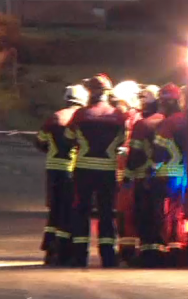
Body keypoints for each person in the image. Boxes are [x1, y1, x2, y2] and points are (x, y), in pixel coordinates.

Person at [63, 74, 128, 267]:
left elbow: (68, 138)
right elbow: (123, 141)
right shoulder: (118, 116)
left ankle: (80, 256)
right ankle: (108, 257)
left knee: (81, 211)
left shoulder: (81, 115)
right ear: (107, 93)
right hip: (107, 170)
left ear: (90, 92)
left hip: (83, 169)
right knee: (107, 213)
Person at [34, 84, 87, 266]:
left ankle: (50, 248)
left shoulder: (55, 117)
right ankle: (64, 250)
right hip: (72, 169)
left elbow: (40, 141)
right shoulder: (81, 118)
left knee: (54, 210)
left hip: (53, 169)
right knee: (69, 209)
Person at [151, 84, 188, 265]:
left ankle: (172, 250)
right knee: (183, 213)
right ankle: (186, 248)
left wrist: (153, 171)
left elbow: (158, 151)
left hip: (169, 174)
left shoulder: (168, 123)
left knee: (168, 214)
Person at [126, 85, 169, 267]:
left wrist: (128, 174)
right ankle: (160, 253)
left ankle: (147, 256)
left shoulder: (142, 125)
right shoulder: (168, 121)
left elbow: (135, 154)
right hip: (165, 176)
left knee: (144, 217)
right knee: (159, 217)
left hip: (144, 177)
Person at [109, 81, 144, 263]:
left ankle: (129, 252)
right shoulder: (129, 119)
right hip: (125, 176)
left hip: (131, 176)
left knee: (128, 214)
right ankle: (127, 250)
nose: (117, 107)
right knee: (123, 215)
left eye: (119, 102)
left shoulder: (133, 120)